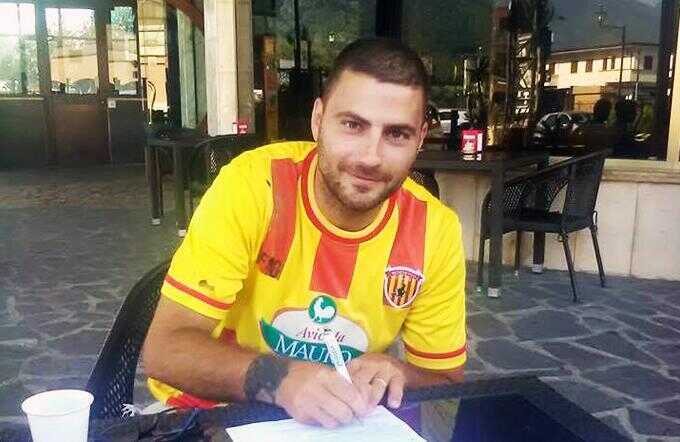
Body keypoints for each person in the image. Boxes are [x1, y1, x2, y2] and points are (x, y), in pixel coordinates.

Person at [143, 37, 467, 429]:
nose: (371, 157)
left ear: (420, 139)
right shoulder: (254, 187)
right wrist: (280, 380)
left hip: (339, 424)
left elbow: (445, 381)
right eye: (352, 125)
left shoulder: (434, 229)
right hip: (208, 413)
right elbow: (165, 350)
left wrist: (398, 371)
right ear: (318, 120)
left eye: (397, 134)